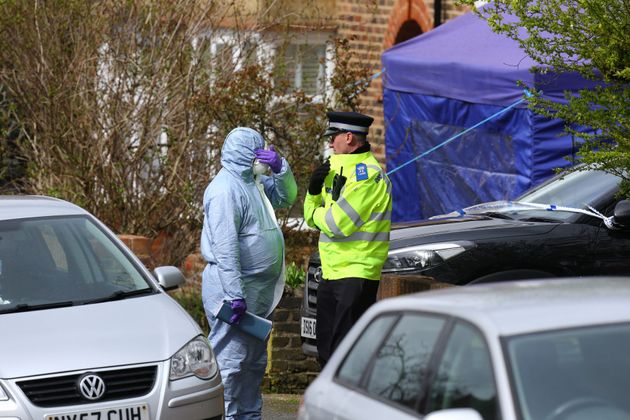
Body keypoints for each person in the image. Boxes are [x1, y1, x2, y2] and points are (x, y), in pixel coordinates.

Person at [201, 127, 297, 419]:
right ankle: (228, 416)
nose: (261, 157)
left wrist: (282, 169)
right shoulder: (225, 190)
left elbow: (287, 196)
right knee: (231, 364)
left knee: (253, 363)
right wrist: (234, 295)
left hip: (256, 293)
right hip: (234, 291)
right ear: (244, 154)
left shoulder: (253, 182)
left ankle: (249, 415)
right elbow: (226, 248)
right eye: (257, 152)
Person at [304, 111, 393, 367]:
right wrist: (312, 194)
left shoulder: (369, 177)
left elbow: (335, 224)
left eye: (333, 137)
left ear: (349, 137)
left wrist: (314, 210)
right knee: (326, 351)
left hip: (357, 273)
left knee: (346, 357)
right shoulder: (335, 168)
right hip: (332, 272)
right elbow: (315, 218)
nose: (330, 143)